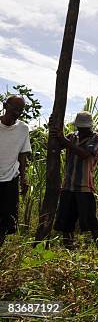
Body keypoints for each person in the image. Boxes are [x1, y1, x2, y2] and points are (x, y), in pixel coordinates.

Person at [50, 111, 98, 248]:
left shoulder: (97, 137)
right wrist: (53, 130)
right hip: (68, 185)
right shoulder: (71, 137)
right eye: (80, 127)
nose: (82, 130)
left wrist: (64, 140)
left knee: (90, 219)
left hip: (85, 186)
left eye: (85, 127)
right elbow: (54, 146)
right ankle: (68, 246)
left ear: (90, 126)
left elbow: (85, 154)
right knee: (66, 221)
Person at [0, 95, 31, 247]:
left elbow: (22, 155)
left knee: (7, 219)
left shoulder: (23, 129)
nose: (17, 112)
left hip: (10, 178)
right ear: (6, 106)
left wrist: (23, 178)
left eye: (21, 110)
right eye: (15, 108)